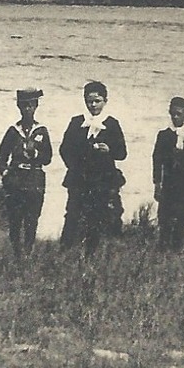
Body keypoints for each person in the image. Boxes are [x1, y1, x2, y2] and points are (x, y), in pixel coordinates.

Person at [58, 80, 127, 255]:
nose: (93, 105)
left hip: (102, 180)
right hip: (79, 179)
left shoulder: (111, 124)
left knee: (96, 217)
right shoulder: (77, 123)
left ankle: (90, 253)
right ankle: (64, 251)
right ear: (84, 101)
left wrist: (109, 150)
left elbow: (122, 153)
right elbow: (64, 149)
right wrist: (76, 165)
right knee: (72, 214)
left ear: (105, 101)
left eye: (97, 101)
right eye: (90, 101)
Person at [0, 88, 52, 256]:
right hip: (16, 179)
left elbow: (48, 157)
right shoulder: (13, 131)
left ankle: (28, 249)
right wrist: (5, 173)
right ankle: (16, 251)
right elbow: (1, 156)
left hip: (35, 179)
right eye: (24, 106)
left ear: (36, 107)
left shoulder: (41, 131)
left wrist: (36, 154)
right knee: (14, 217)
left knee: (32, 217)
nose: (28, 109)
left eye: (31, 106)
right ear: (19, 107)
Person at [152, 96, 184, 252]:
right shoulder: (164, 135)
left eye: (179, 114)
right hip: (169, 181)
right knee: (165, 215)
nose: (176, 117)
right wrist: (157, 183)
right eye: (173, 114)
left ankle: (177, 246)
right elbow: (157, 159)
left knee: (182, 215)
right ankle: (163, 245)